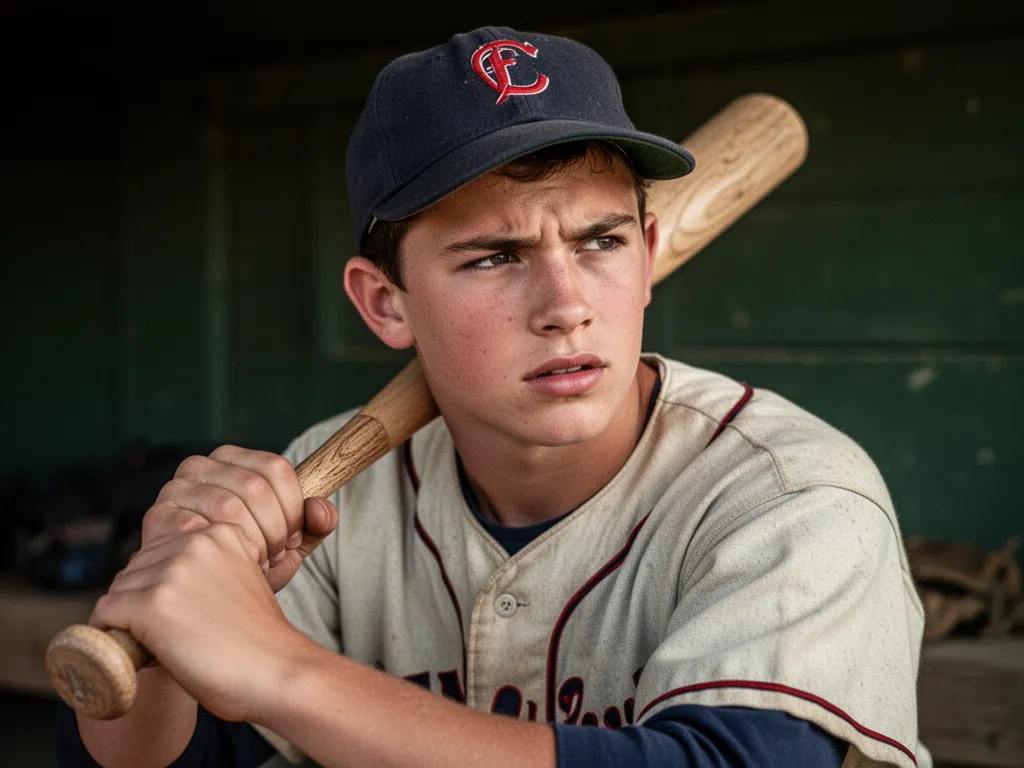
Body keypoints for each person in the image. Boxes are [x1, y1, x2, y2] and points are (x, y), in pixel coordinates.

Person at [57, 25, 925, 768]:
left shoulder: (794, 496)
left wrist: (278, 669)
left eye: (600, 241)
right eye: (494, 256)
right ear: (385, 303)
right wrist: (164, 628)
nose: (566, 307)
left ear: (650, 252)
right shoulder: (318, 497)